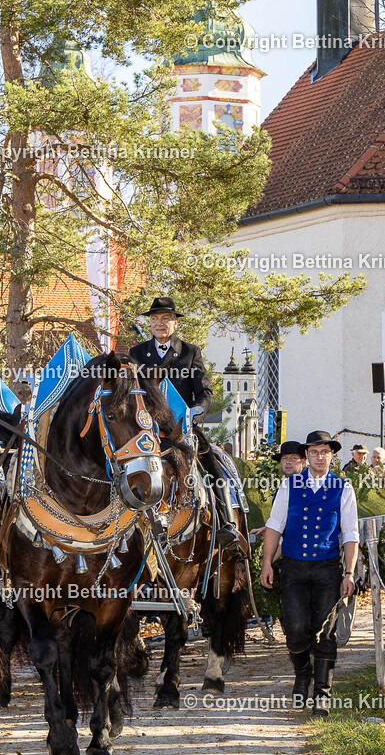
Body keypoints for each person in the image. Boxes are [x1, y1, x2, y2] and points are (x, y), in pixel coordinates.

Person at [261, 430, 359, 716]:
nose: (319, 457)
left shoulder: (344, 488)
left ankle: (322, 693)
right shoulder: (289, 486)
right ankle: (303, 673)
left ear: (332, 455)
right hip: (292, 567)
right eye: (314, 452)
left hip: (327, 568)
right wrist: (267, 562)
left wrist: (349, 572)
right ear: (307, 456)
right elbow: (274, 526)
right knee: (295, 629)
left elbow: (351, 534)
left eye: (324, 452)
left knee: (325, 632)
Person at [130, 296, 238, 549]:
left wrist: (194, 413)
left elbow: (205, 393)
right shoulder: (136, 353)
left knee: (211, 461)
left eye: (165, 319)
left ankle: (227, 522)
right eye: (154, 319)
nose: (159, 323)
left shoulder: (190, 352)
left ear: (175, 323)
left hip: (181, 425)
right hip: (146, 427)